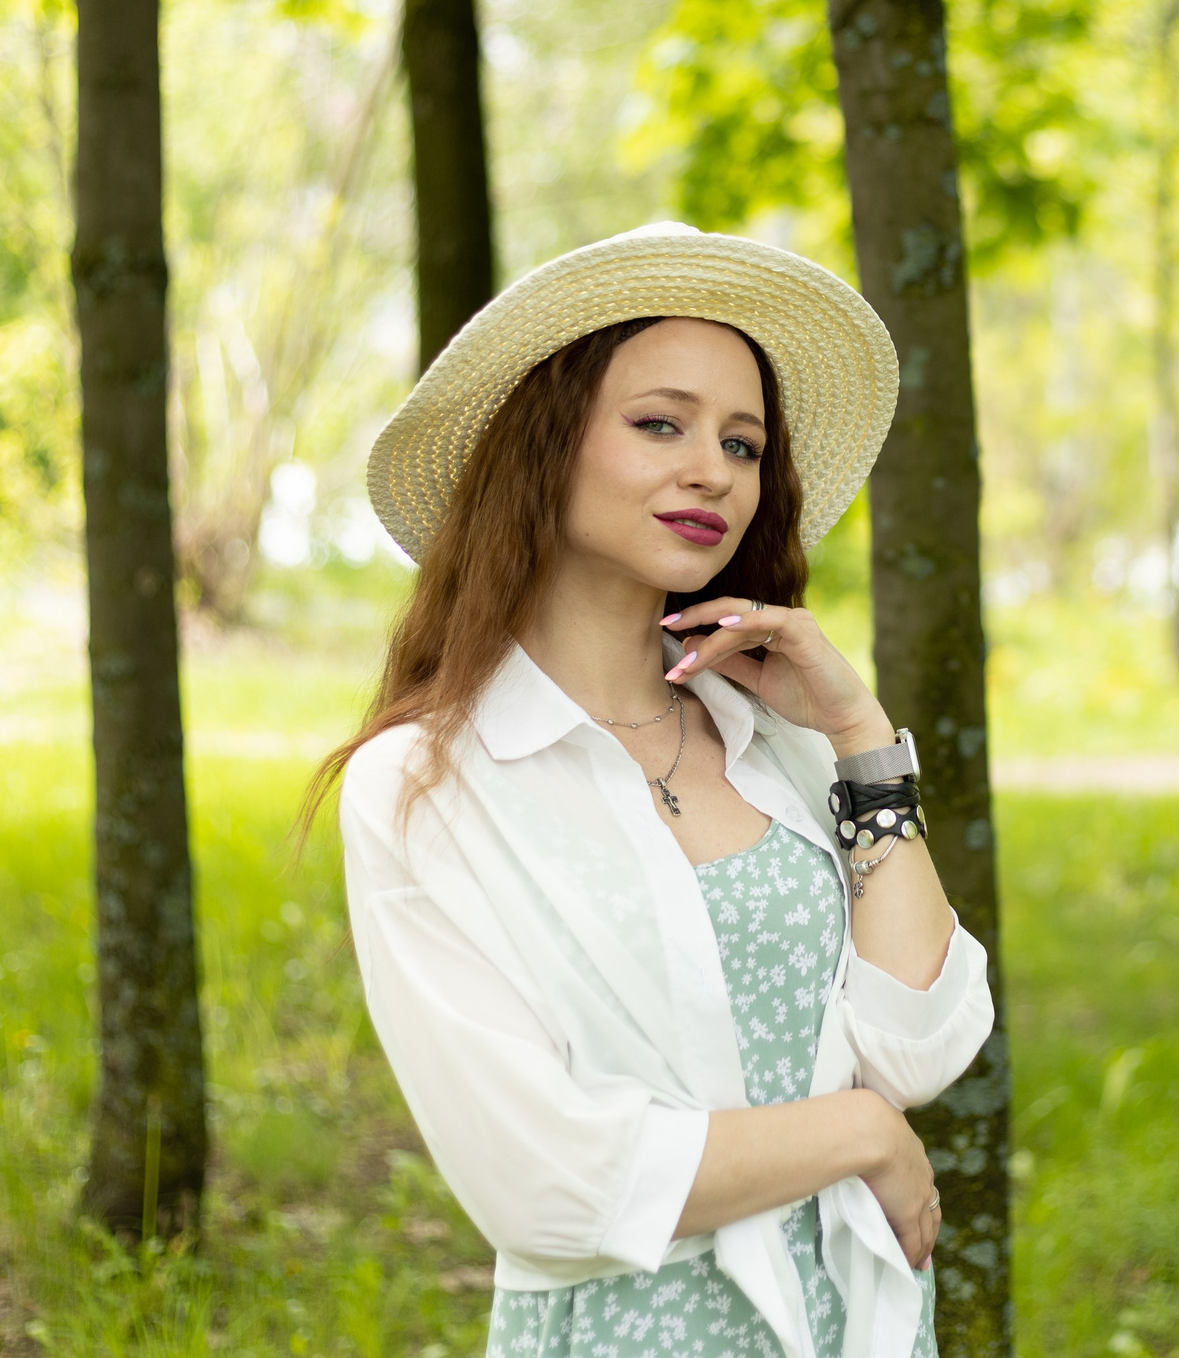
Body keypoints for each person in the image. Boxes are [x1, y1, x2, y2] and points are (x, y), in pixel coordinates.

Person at [307, 222, 994, 1358]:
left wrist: (861, 739)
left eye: (742, 442)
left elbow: (918, 1047)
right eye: (659, 424)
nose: (710, 470)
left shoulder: (781, 746)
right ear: (545, 446)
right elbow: (550, 1189)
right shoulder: (424, 785)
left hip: (857, 1325)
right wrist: (861, 1133)